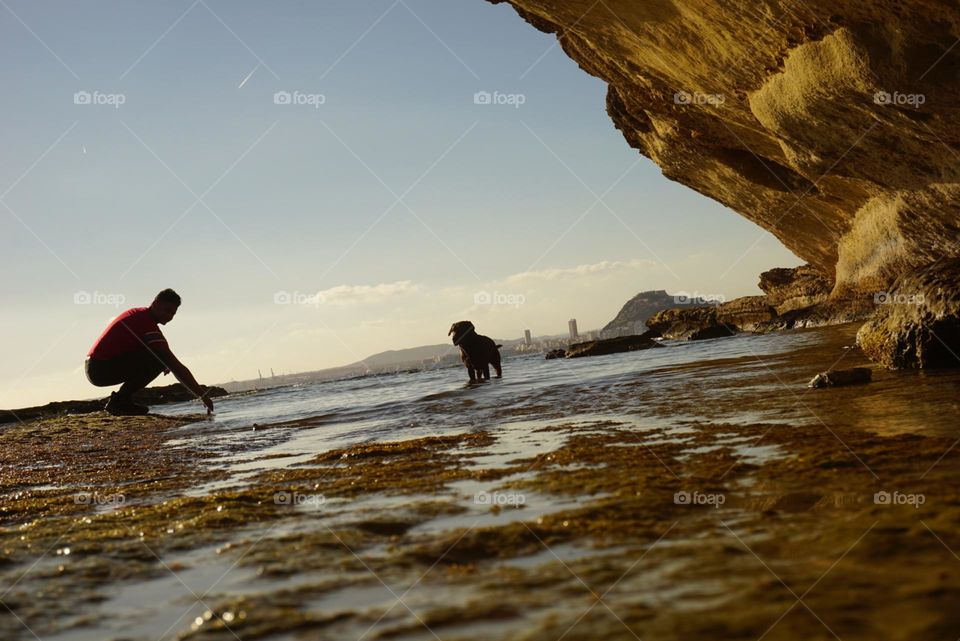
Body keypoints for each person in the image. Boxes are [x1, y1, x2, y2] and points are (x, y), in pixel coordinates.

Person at [85, 289, 214, 416]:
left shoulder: (140, 314)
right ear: (155, 304)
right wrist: (202, 395)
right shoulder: (145, 322)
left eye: (173, 313)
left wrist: (163, 362)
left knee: (160, 359)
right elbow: (176, 365)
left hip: (97, 365)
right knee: (160, 360)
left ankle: (123, 401)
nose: (169, 316)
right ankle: (119, 402)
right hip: (99, 368)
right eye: (167, 310)